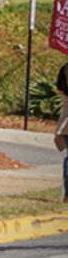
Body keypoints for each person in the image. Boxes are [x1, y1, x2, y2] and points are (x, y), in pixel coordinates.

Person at [55, 60, 68, 201]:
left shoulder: (65, 68)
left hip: (66, 119)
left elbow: (59, 89)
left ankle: (67, 194)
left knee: (67, 156)